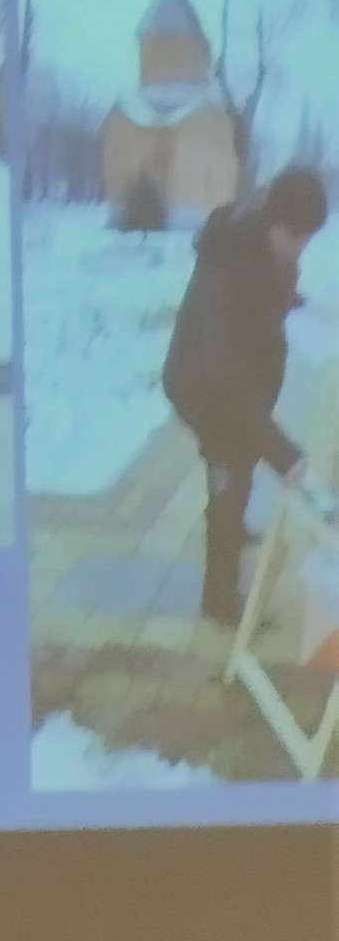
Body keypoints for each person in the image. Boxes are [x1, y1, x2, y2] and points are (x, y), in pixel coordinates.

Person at [161, 165, 329, 627]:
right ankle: (218, 602)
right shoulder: (229, 266)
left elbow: (264, 294)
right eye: (295, 236)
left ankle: (230, 515)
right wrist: (286, 456)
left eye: (307, 239)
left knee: (239, 459)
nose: (299, 247)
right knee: (231, 460)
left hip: (232, 382)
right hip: (202, 385)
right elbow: (227, 381)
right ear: (274, 221)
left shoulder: (262, 247)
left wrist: (302, 303)